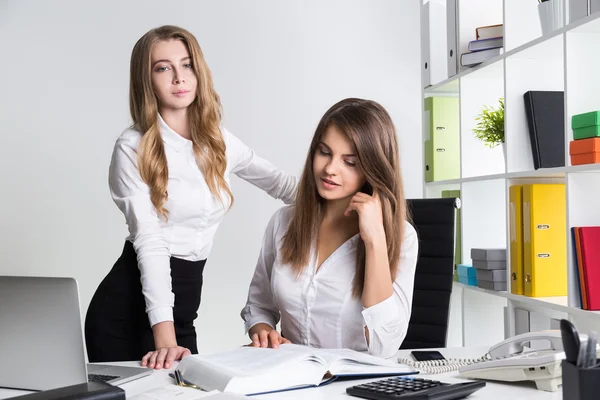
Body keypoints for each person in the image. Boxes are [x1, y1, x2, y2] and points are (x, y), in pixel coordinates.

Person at [84, 25, 297, 370]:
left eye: (187, 65)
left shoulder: (218, 141)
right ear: (146, 79)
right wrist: (166, 341)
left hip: (182, 312)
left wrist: (350, 192)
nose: (179, 78)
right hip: (128, 314)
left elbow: (284, 186)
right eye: (163, 68)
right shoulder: (132, 147)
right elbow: (150, 242)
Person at [240, 98, 419, 359]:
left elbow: (384, 346)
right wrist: (263, 329)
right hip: (291, 378)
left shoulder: (402, 238)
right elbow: (258, 305)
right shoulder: (283, 222)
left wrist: (375, 242)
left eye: (350, 162)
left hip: (356, 386)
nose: (329, 169)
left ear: (373, 169)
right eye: (324, 152)